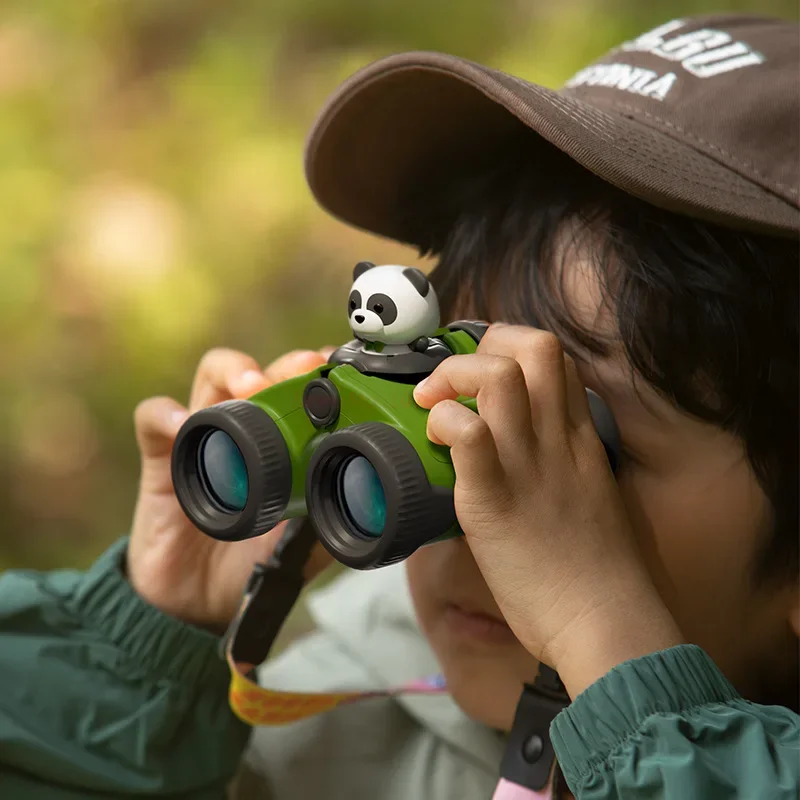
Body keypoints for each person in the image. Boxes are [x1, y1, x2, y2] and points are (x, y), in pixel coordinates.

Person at [0, 12, 798, 800]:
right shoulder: (338, 709)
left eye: (573, 440)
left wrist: (613, 656)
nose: (474, 496)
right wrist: (134, 664)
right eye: (448, 385)